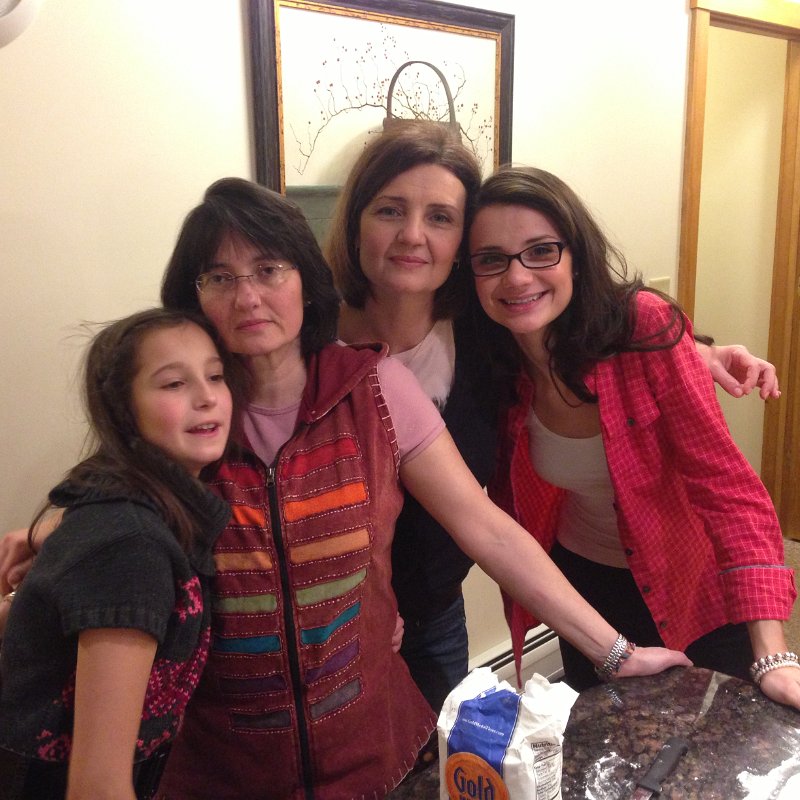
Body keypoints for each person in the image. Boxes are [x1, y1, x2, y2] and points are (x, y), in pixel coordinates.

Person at [150, 177, 690, 800]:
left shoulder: (373, 386)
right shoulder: (178, 409)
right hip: (223, 762)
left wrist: (615, 653)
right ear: (192, 295)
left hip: (369, 746)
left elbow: (485, 527)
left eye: (268, 269)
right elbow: (120, 520)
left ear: (304, 278)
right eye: (219, 277)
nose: (247, 296)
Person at [324, 122, 782, 718]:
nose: (413, 235)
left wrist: (691, 352)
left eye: (439, 217)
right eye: (390, 209)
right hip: (341, 614)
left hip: (471, 604)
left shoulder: (490, 335)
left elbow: (606, 337)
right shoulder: (326, 341)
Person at [466, 165, 800, 709]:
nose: (518, 277)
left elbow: (729, 490)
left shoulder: (643, 326)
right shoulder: (490, 366)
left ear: (576, 255)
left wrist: (774, 656)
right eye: (491, 259)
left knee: (714, 741)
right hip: (584, 589)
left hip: (691, 585)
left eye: (541, 251)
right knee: (610, 745)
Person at [0, 309, 233, 800]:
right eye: (174, 383)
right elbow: (97, 785)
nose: (207, 396)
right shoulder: (131, 545)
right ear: (123, 409)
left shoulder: (156, 515)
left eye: (215, 376)